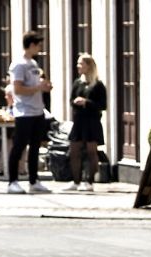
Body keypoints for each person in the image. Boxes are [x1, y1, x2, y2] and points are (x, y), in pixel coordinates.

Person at [6, 30, 54, 194]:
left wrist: (44, 87)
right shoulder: (19, 64)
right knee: (19, 146)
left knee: (35, 146)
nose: (40, 48)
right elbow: (18, 89)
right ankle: (12, 181)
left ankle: (34, 180)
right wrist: (38, 88)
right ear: (32, 45)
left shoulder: (33, 64)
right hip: (24, 112)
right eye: (39, 45)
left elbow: (34, 86)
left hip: (37, 110)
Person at [63, 54, 106, 192]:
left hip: (92, 122)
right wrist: (75, 103)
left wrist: (87, 102)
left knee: (91, 151)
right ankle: (76, 181)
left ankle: (89, 181)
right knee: (74, 150)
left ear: (89, 66)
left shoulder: (98, 85)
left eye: (81, 64)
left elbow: (102, 105)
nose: (78, 66)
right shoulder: (77, 83)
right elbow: (71, 99)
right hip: (79, 121)